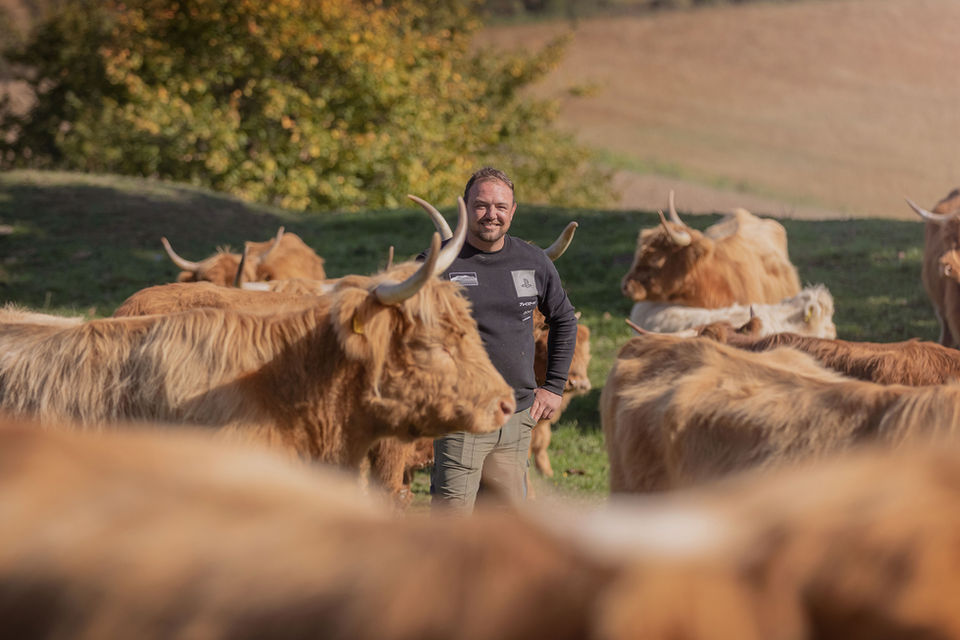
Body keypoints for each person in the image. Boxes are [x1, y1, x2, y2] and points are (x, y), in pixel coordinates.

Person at [429, 167, 578, 514]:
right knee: (451, 526)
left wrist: (554, 386)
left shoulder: (533, 261)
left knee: (505, 527)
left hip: (517, 418)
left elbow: (564, 319)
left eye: (500, 207)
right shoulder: (439, 264)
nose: (491, 215)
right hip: (462, 417)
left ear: (512, 211)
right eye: (481, 206)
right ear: (466, 209)